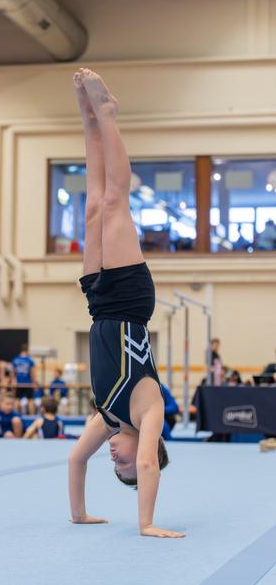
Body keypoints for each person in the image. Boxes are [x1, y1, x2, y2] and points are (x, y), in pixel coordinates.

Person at [68, 68, 184, 538]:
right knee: (116, 201)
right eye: (127, 465)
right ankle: (110, 115)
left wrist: (80, 514)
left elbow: (76, 459)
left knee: (94, 204)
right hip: (132, 301)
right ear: (148, 453)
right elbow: (147, 465)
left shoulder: (109, 418)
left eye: (116, 468)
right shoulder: (148, 410)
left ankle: (88, 121)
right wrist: (147, 522)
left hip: (97, 304)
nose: (116, 461)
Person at [10, 344, 37, 414]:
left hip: (18, 383)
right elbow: (32, 373)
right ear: (27, 351)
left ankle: (15, 415)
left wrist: (13, 381)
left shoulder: (15, 359)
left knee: (17, 400)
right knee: (30, 401)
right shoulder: (29, 360)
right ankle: (32, 417)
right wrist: (34, 383)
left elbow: (12, 373)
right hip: (28, 383)